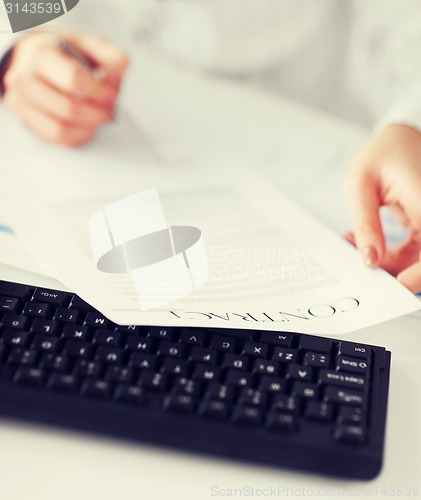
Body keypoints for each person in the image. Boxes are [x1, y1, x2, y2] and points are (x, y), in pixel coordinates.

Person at [1, 0, 421, 292]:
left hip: (304, 131)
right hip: (92, 140)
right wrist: (18, 49)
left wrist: (411, 122)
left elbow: (404, 23)